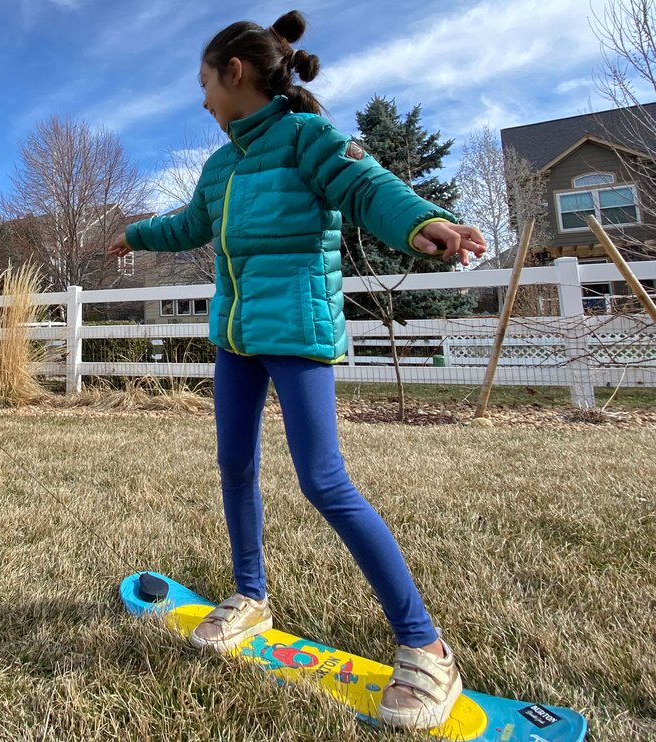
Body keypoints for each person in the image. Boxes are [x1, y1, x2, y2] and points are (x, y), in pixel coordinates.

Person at [107, 10, 486, 730]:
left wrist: (421, 222)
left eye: (204, 84)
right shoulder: (222, 165)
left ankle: (426, 648)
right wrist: (133, 233)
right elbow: (189, 225)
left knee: (323, 480)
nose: (203, 100)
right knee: (233, 464)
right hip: (237, 338)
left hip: (298, 331)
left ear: (235, 73)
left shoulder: (309, 138)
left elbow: (369, 187)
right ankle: (250, 597)